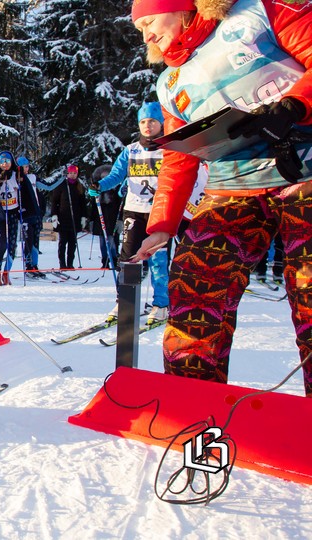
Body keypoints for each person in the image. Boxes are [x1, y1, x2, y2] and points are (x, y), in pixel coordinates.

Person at [130, 0, 312, 396]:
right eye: (139, 28)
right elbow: (180, 158)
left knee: (309, 286)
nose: (147, 36)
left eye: (151, 21)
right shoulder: (170, 83)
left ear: (180, 8)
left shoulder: (260, 12)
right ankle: (193, 400)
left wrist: (296, 104)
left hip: (304, 169)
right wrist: (161, 226)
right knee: (195, 282)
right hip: (231, 185)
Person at [88, 103, 170, 322]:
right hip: (134, 210)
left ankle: (161, 304)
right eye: (143, 122)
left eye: (152, 121)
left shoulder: (169, 150)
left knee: (157, 260)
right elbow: (116, 174)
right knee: (129, 259)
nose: (147, 126)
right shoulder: (131, 150)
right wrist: (101, 185)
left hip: (159, 212)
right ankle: (126, 302)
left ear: (161, 123)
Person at [0, 151, 21, 286]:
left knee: (12, 246)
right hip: (2, 214)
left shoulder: (15, 175)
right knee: (3, 244)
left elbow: (24, 190)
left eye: (8, 162)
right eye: (2, 162)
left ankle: (6, 273)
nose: (5, 165)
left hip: (13, 213)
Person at [49, 164, 87, 270]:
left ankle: (70, 263)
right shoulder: (61, 185)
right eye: (70, 173)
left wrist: (83, 217)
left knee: (72, 243)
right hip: (63, 218)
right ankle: (62, 264)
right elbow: (54, 201)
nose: (72, 175)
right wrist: (54, 216)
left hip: (75, 219)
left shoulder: (79, 186)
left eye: (74, 173)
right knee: (63, 242)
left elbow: (83, 204)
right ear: (67, 174)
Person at [16, 156, 45, 279]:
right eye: (23, 167)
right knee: (28, 240)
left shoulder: (33, 177)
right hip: (25, 214)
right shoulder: (16, 179)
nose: (26, 169)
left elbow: (47, 186)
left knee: (36, 241)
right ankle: (28, 266)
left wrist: (62, 179)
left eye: (27, 166)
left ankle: (34, 265)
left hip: (36, 213)